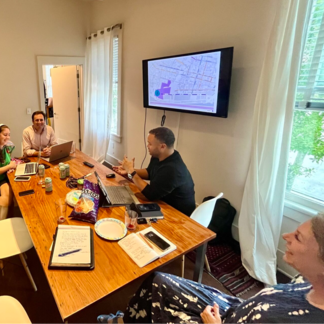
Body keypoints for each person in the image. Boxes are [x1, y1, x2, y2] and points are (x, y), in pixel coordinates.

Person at [99, 213, 324, 324]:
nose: (286, 236)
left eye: (297, 237)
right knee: (158, 280)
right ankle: (124, 320)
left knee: (156, 306)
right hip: (231, 308)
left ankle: (125, 320)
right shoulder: (305, 282)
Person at [113, 127, 196, 216]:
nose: (147, 146)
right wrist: (129, 171)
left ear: (162, 146)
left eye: (150, 144)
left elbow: (150, 194)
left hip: (179, 215)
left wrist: (131, 172)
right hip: (162, 202)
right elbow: (150, 172)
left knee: (126, 213)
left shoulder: (173, 169)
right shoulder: (159, 155)